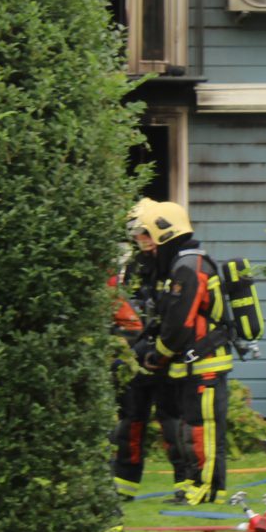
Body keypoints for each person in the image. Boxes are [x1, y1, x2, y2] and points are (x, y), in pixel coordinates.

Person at [129, 200, 266, 505]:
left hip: (205, 364)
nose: (145, 244)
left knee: (204, 429)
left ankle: (208, 489)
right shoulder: (180, 265)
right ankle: (193, 485)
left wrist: (158, 355)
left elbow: (179, 323)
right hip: (190, 364)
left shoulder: (189, 268)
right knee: (189, 428)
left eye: (147, 235)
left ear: (164, 232)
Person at [109, 200, 197, 502]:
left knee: (172, 421)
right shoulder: (134, 266)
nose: (141, 239)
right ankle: (123, 487)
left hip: (164, 355)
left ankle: (185, 485)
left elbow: (174, 314)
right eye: (137, 234)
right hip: (135, 353)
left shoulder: (176, 264)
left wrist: (160, 350)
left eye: (145, 233)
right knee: (130, 421)